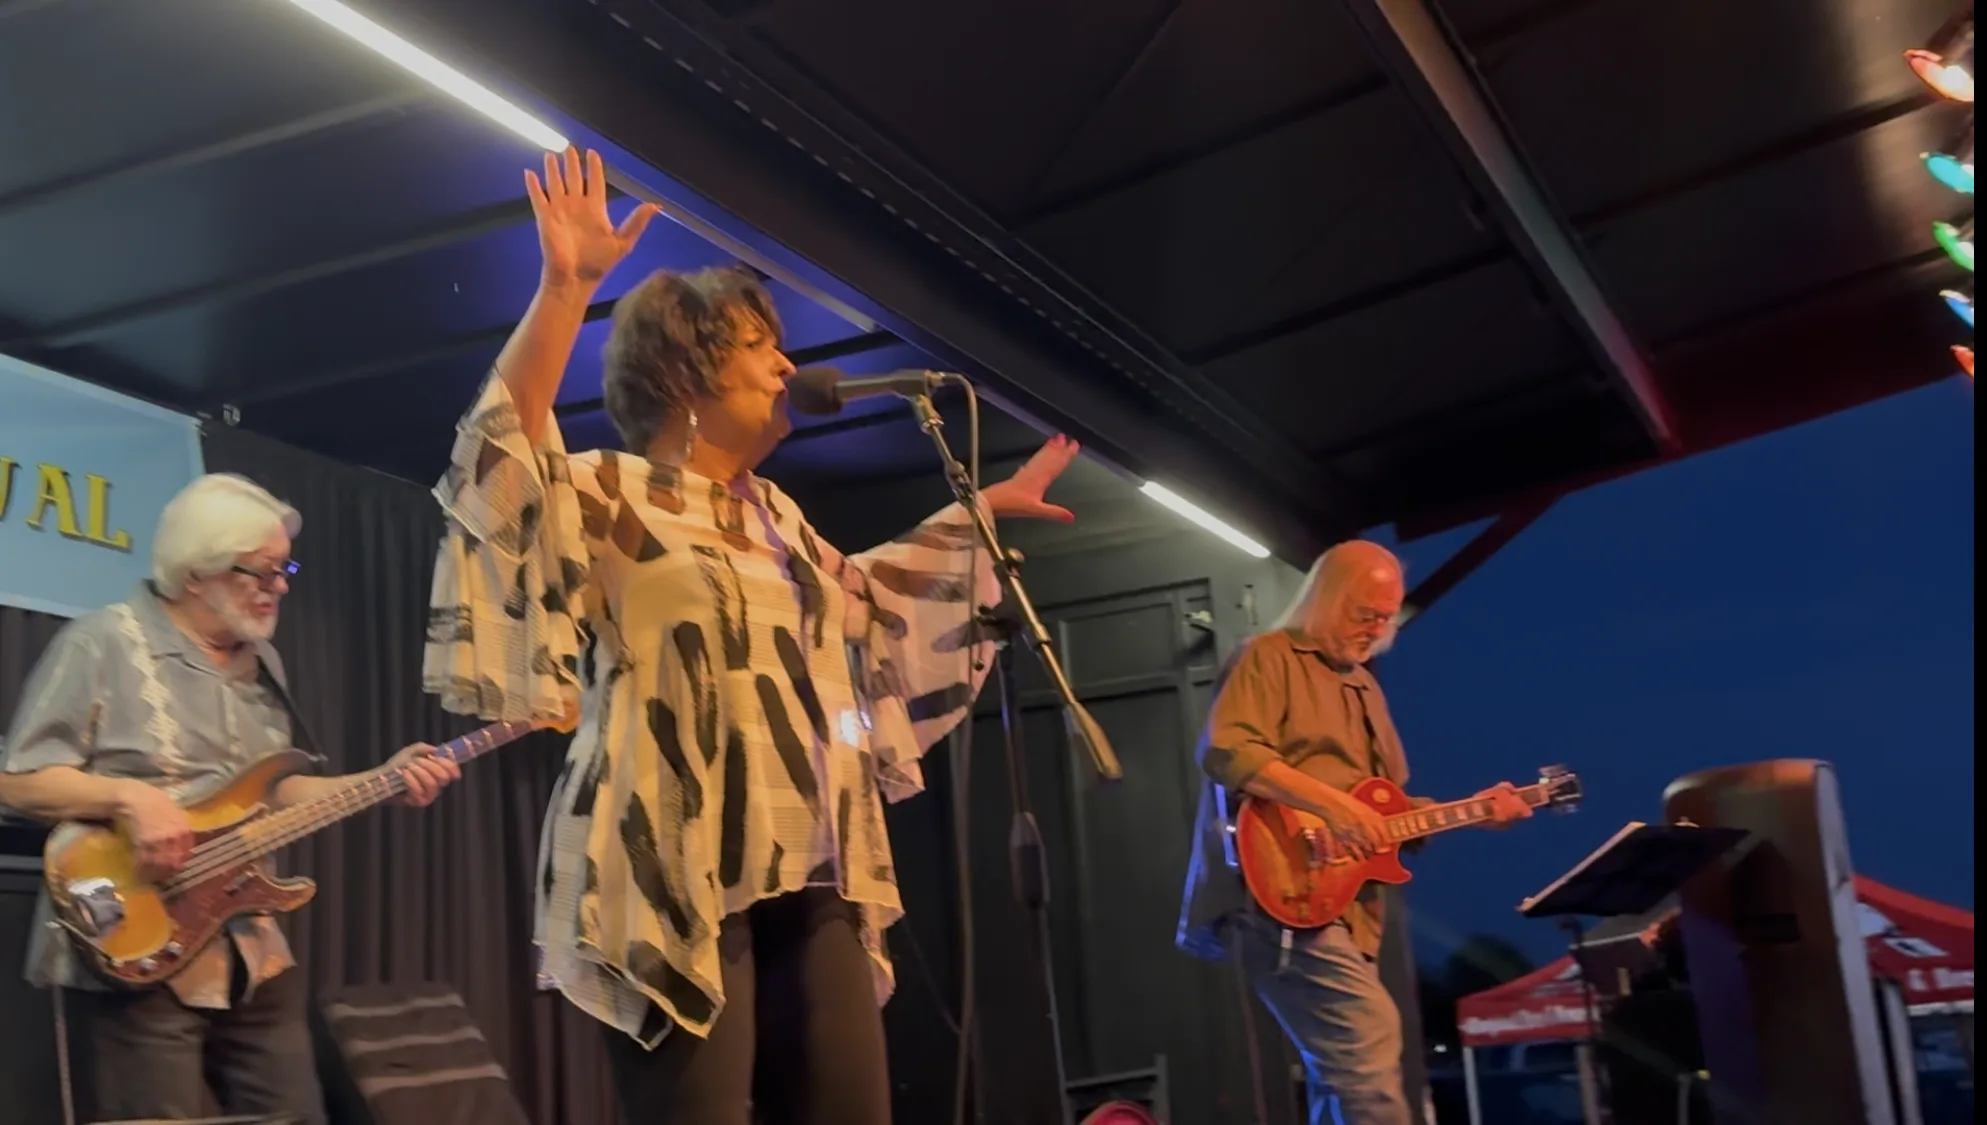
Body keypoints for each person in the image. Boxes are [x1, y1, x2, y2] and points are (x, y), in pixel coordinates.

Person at [422, 146, 1078, 1124]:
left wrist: (972, 517)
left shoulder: (778, 517)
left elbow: (867, 610)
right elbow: (499, 473)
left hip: (812, 856)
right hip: (666, 859)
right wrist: (565, 290)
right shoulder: (612, 492)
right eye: (758, 346)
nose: (786, 366)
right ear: (685, 373)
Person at [0, 472, 462, 1125]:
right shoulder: (101, 642)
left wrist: (381, 782)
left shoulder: (264, 663)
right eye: (262, 570)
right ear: (195, 574)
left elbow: (275, 792)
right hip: (135, 934)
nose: (281, 585)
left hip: (250, 945)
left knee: (296, 1114)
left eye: (285, 568)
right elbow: (19, 778)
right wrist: (129, 797)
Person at [1175, 541, 1531, 1125]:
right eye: (1366, 614)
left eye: (1386, 618)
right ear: (1327, 599)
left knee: (1342, 1072)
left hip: (1345, 908)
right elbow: (1228, 751)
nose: (1377, 629)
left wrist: (1477, 811)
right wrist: (1333, 807)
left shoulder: (1365, 687)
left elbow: (1384, 814)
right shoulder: (1268, 657)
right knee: (1369, 1036)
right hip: (1276, 897)